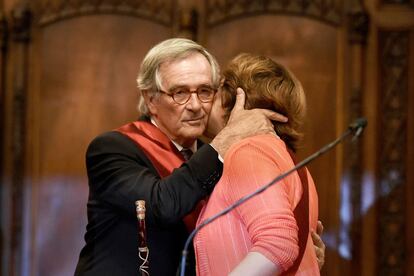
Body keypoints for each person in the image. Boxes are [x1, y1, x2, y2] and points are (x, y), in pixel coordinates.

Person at [74, 38, 286, 276]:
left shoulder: (218, 156)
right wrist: (228, 138)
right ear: (150, 99)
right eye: (180, 93)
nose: (195, 105)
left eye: (205, 91)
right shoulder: (112, 148)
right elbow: (161, 205)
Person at [194, 53, 320, 275]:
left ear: (236, 101)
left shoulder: (248, 151)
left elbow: (278, 244)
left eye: (214, 93)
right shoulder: (293, 164)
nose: (200, 105)